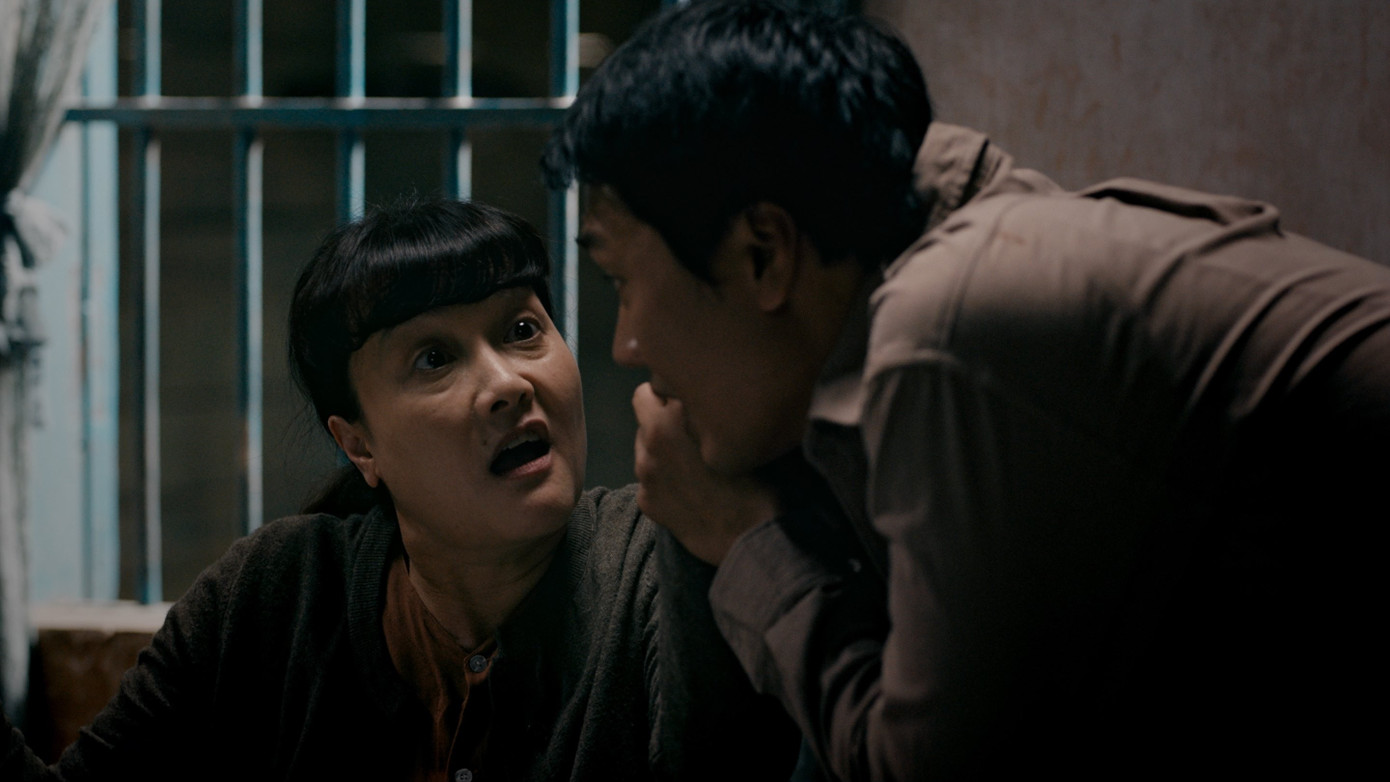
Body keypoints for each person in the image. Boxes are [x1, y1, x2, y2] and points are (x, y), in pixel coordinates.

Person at [542, 0, 1390, 777]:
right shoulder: (951, 268)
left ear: (763, 253)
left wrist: (744, 538)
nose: (625, 346)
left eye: (621, 281)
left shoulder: (949, 325)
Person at [1, 196, 799, 781]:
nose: (506, 384)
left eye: (523, 330)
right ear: (359, 444)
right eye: (433, 359)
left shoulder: (663, 566)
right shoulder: (273, 598)